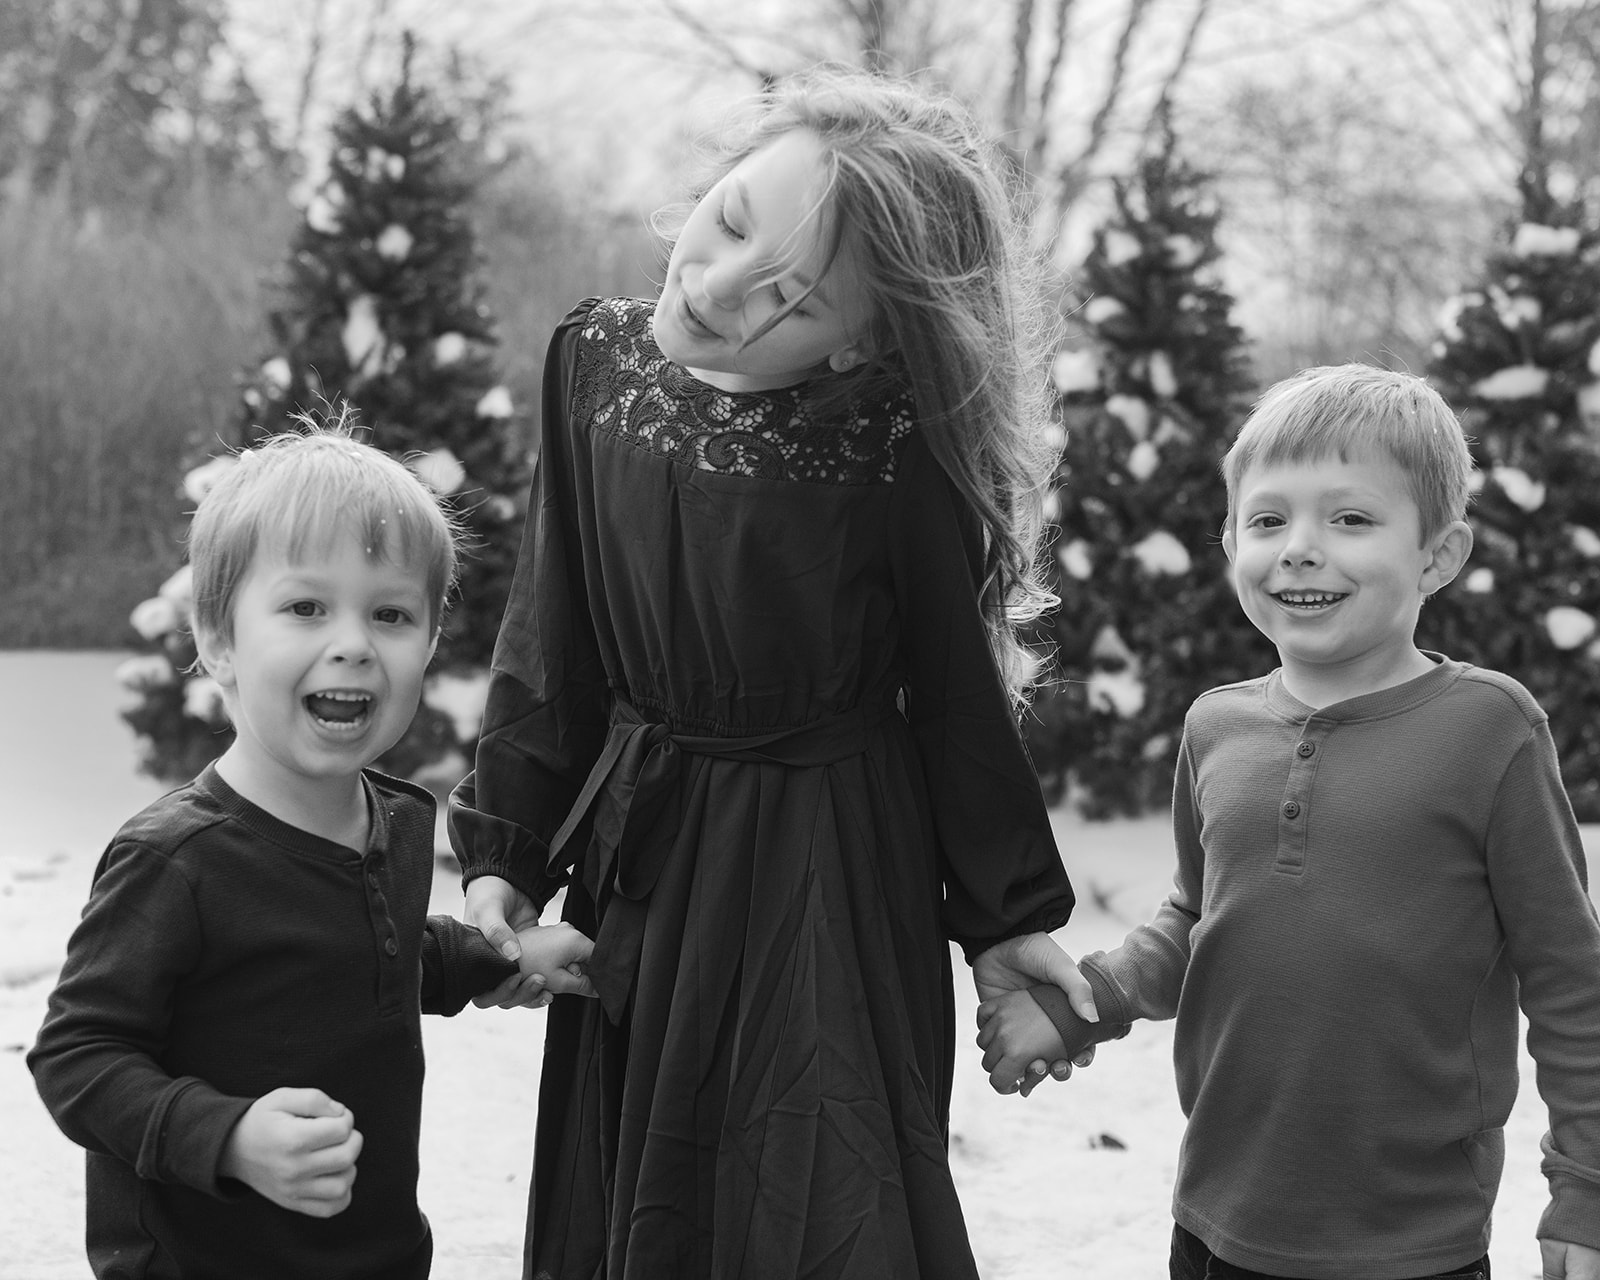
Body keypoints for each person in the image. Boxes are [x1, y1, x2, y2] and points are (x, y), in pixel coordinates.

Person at [447, 64, 1097, 1279]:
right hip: (647, 866)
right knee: (649, 1197)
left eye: (791, 300)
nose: (719, 286)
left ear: (866, 342)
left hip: (830, 873)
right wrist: (504, 860)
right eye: (733, 221)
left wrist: (1008, 924)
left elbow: (955, 699)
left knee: (818, 1194)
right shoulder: (591, 366)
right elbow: (552, 637)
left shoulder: (888, 440)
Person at [977, 364, 1600, 1280]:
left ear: (1439, 553)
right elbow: (1199, 917)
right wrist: (1087, 1006)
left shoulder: (1490, 732)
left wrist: (1582, 1189)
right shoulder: (1216, 726)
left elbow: (1569, 980)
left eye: (1350, 518)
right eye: (1268, 521)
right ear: (1229, 542)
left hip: (1409, 1241)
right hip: (1218, 1218)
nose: (1300, 549)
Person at [29, 421, 596, 1280]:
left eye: (392, 614)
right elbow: (77, 1058)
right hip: (205, 1261)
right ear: (218, 641)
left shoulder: (398, 821)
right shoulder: (176, 860)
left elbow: (369, 956)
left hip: (374, 1252)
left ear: (430, 646)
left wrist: (492, 958)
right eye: (305, 607)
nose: (354, 642)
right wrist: (229, 1136)